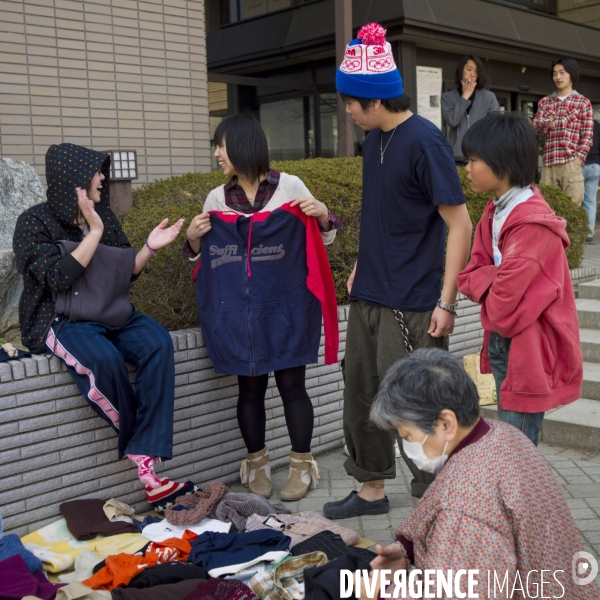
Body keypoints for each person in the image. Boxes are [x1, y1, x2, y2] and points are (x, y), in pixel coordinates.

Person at [323, 22, 472, 518]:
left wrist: (446, 301)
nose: (346, 110)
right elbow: (381, 212)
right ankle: (370, 490)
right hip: (370, 293)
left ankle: (440, 501)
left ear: (375, 101)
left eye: (350, 102)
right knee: (362, 395)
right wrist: (363, 262)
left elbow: (460, 225)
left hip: (413, 301)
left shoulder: (425, 143)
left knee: (418, 404)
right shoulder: (375, 143)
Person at [184, 114, 340, 502]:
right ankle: (256, 463)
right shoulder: (217, 199)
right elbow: (204, 260)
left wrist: (323, 215)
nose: (217, 153)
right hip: (238, 314)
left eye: (221, 145)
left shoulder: (289, 186)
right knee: (249, 389)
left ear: (242, 145)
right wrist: (191, 239)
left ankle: (302, 465)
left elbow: (325, 239)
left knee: (292, 386)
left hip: (286, 307)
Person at [359, 348, 599, 600]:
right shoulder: (502, 434)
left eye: (407, 436)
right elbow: (437, 501)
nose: (406, 447)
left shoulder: (467, 507)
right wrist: (406, 548)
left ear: (446, 424)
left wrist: (381, 593)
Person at [13, 143, 184, 489]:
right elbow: (58, 278)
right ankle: (143, 447)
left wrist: (149, 247)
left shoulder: (104, 216)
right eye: (96, 172)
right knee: (103, 360)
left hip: (108, 310)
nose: (103, 178)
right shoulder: (33, 223)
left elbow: (124, 273)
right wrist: (92, 234)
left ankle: (144, 450)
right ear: (75, 181)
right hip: (60, 319)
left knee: (157, 342)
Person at [457, 113, 582, 445]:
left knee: (516, 446)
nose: (466, 168)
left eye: (473, 160)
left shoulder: (531, 225)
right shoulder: (494, 211)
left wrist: (490, 280)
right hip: (501, 340)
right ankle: (517, 496)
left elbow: (501, 307)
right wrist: (495, 276)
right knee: (511, 442)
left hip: (526, 345)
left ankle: (522, 498)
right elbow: (467, 275)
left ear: (505, 164)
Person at [533, 57, 594, 206]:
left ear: (571, 74)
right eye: (555, 73)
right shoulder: (545, 102)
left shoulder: (582, 102)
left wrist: (578, 159)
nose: (558, 77)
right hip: (548, 164)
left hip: (570, 163)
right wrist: (546, 123)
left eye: (562, 72)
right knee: (546, 208)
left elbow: (587, 136)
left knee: (572, 210)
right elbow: (535, 127)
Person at [441, 54, 499, 165]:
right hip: (456, 158)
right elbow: (452, 121)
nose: (472, 74)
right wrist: (465, 97)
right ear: (461, 70)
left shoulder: (489, 97)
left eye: (476, 71)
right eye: (469, 69)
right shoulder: (447, 97)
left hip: (481, 156)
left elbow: (495, 127)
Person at [583, 114, 600, 242]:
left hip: (580, 164)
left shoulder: (578, 123)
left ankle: (577, 230)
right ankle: (588, 232)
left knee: (576, 198)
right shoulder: (597, 125)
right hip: (595, 165)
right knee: (590, 200)